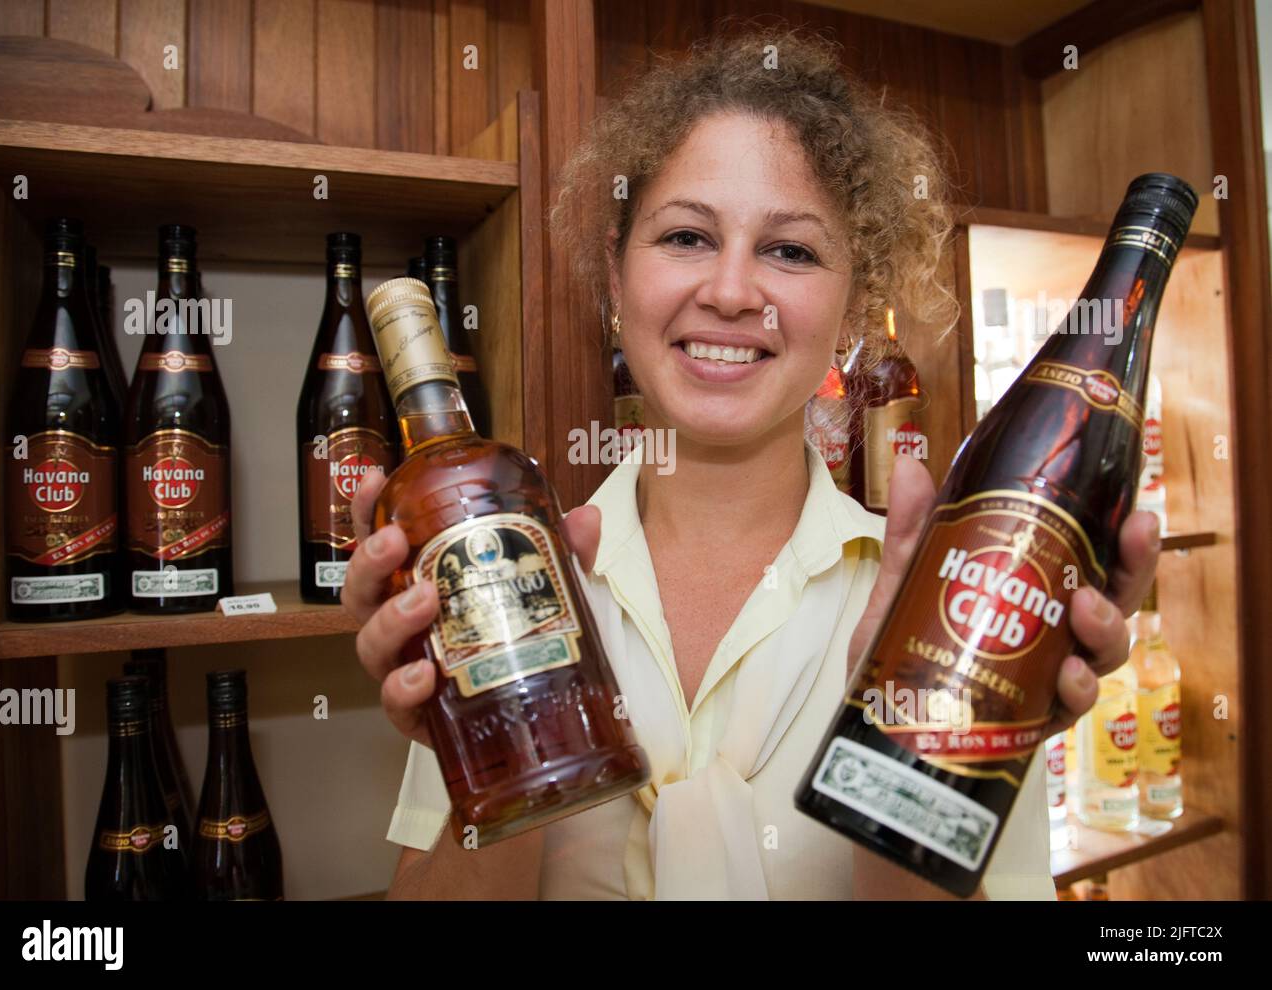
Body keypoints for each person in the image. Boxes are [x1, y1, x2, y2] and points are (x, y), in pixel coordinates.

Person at [342, 27, 1159, 900]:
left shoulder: (942, 604)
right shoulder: (504, 569)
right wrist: (490, 744)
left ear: (856, 310)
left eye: (791, 250)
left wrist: (904, 751)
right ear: (616, 284)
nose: (731, 292)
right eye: (687, 236)